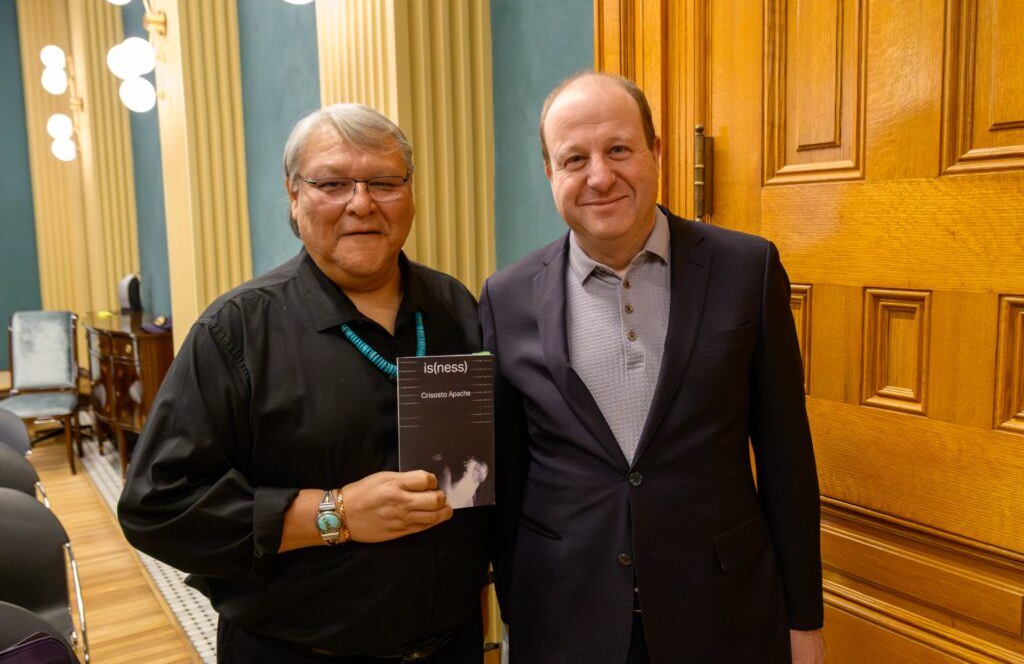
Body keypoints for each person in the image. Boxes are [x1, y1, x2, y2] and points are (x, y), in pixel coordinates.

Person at [119, 104, 490, 663]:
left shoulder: (454, 305)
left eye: (384, 182)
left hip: (453, 647)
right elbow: (156, 506)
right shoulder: (236, 332)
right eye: (332, 183)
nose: (361, 203)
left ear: (410, 193)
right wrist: (334, 514)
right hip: (296, 652)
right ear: (294, 195)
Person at [479, 72, 825, 663]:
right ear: (549, 173)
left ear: (656, 152)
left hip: (722, 614)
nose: (600, 177)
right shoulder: (505, 297)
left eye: (618, 149)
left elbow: (787, 459)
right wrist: (515, 608)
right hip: (564, 619)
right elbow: (506, 478)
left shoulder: (748, 269)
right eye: (574, 159)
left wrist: (804, 621)